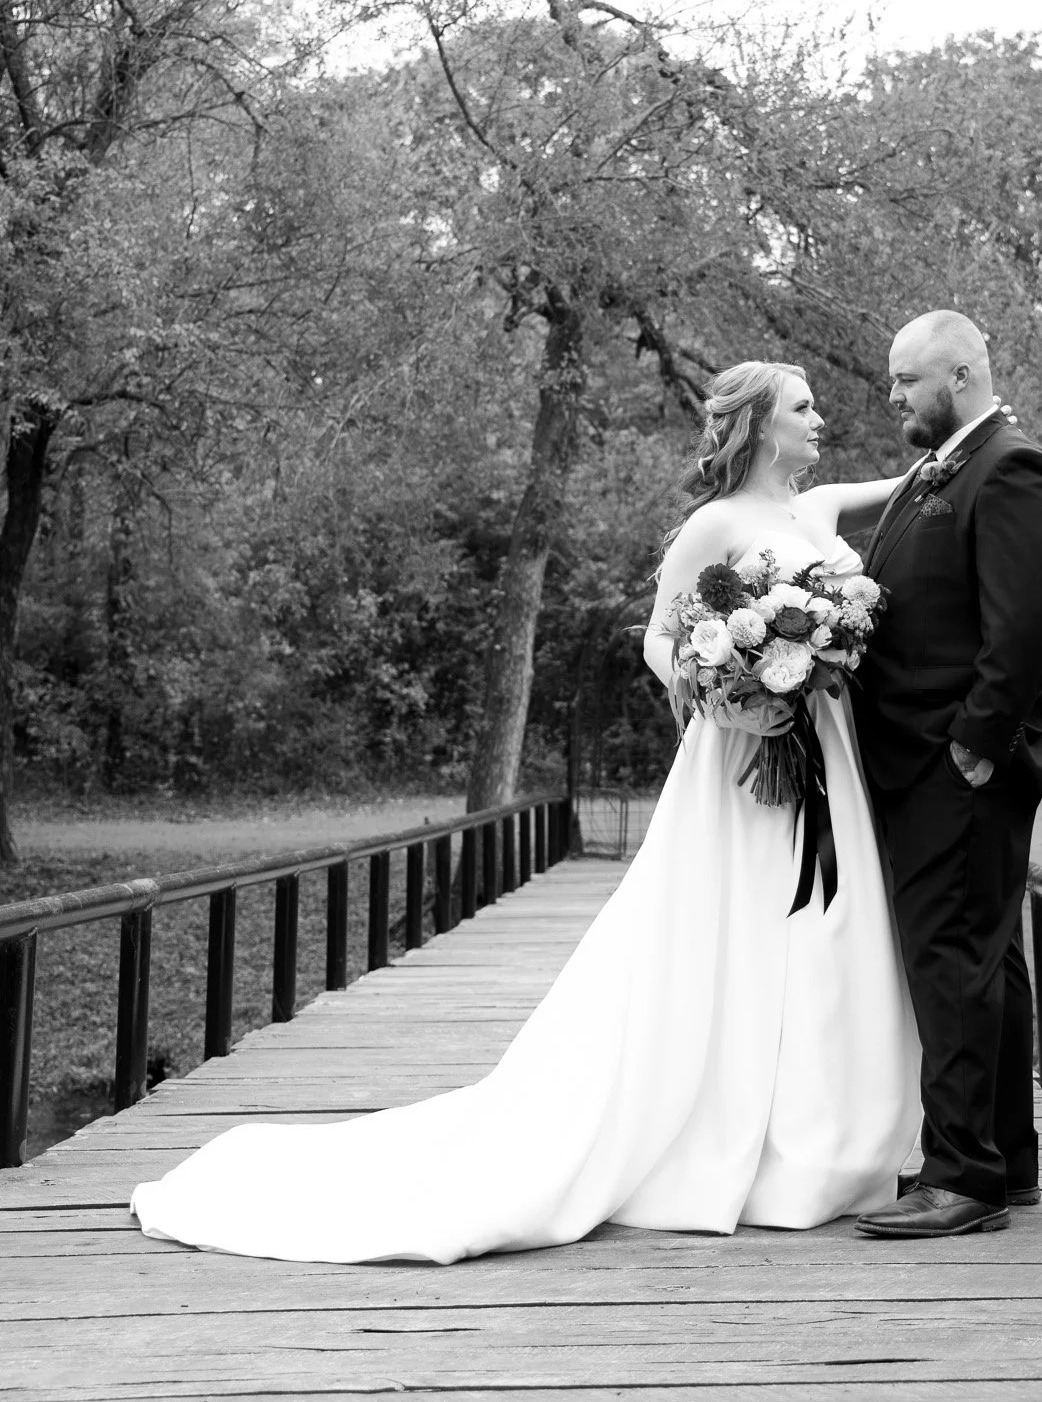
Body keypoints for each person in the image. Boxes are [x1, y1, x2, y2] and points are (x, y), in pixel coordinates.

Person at [130, 360, 922, 1264]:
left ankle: (821, 1140)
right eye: (803, 407)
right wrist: (725, 695)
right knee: (731, 933)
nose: (820, 419)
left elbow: (911, 480)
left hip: (828, 753)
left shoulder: (817, 510)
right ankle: (718, 1132)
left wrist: (974, 432)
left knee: (825, 932)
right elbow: (663, 638)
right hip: (742, 756)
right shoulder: (716, 524)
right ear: (758, 425)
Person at [851, 310, 1042, 1240]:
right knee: (986, 959)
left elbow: (1024, 624)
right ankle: (1004, 1160)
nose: (894, 395)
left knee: (951, 960)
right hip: (922, 759)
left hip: (960, 763)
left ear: (961, 374)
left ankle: (961, 1178)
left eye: (907, 380)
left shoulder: (1014, 469)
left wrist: (975, 742)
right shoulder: (937, 472)